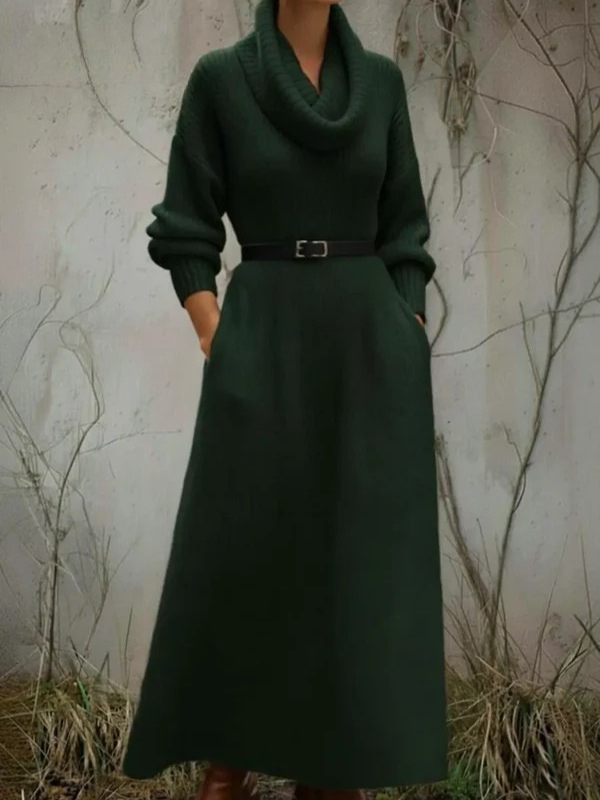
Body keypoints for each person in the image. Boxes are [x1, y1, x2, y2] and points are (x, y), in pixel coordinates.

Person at [121, 0, 448, 798]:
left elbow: (405, 228)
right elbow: (186, 223)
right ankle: (225, 762)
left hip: (367, 352)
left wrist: (406, 326)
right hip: (261, 338)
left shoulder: (380, 85)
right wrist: (216, 333)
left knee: (351, 565)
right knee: (241, 553)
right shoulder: (221, 81)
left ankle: (332, 770)